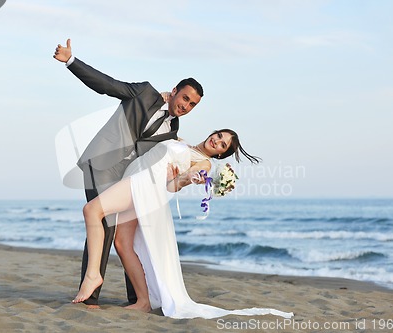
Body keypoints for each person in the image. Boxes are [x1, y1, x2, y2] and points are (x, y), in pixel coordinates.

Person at [71, 129, 294, 319]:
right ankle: (143, 301)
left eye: (222, 145)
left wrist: (187, 179)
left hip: (145, 184)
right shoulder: (184, 142)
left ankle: (93, 274)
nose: (216, 141)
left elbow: (174, 186)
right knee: (122, 243)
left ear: (219, 154)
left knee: (92, 209)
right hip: (136, 177)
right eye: (218, 136)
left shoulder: (203, 163)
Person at [53, 39, 204, 307]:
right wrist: (71, 61)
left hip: (127, 178)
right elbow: (107, 85)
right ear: (175, 91)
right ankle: (91, 297)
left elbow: (158, 159)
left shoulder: (172, 132)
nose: (186, 106)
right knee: (105, 226)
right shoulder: (144, 93)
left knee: (128, 234)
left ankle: (136, 297)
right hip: (100, 163)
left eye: (192, 104)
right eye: (185, 98)